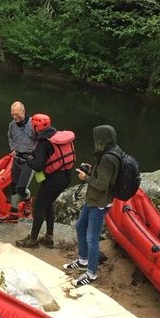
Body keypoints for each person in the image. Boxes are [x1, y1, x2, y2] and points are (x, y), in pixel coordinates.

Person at [63, 125, 120, 287]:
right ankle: (82, 260)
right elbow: (104, 177)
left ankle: (91, 272)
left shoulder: (108, 158)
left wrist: (85, 178)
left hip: (100, 202)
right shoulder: (112, 152)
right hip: (93, 200)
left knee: (92, 238)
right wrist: (91, 169)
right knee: (80, 226)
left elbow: (102, 185)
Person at [15, 113, 73, 249]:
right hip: (66, 176)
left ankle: (33, 240)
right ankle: (49, 237)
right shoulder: (56, 135)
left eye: (32, 126)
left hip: (54, 180)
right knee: (48, 204)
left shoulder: (43, 142)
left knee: (39, 206)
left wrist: (28, 160)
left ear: (36, 126)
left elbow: (39, 165)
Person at [0, 101, 37, 223]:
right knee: (14, 187)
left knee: (21, 188)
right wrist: (13, 148)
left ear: (23, 111)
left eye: (17, 114)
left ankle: (28, 203)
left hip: (29, 161)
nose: (15, 117)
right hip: (17, 158)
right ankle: (13, 214)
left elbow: (41, 141)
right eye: (12, 114)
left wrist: (36, 155)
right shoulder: (12, 125)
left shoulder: (33, 124)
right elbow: (10, 136)